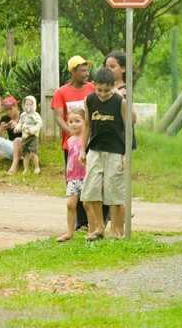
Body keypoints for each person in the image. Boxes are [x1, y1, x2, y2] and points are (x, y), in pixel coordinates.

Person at [80, 67, 127, 240]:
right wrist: (83, 149)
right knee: (92, 187)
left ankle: (114, 230)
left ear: (113, 86)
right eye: (99, 90)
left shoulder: (120, 101)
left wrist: (126, 154)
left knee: (113, 189)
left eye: (106, 90)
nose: (102, 94)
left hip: (115, 150)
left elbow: (128, 128)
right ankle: (100, 226)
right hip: (95, 149)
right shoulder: (90, 100)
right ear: (94, 85)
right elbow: (87, 125)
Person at [51, 55, 96, 230]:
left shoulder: (92, 88)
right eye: (83, 71)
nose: (87, 74)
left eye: (87, 70)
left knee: (90, 179)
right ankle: (81, 222)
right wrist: (73, 134)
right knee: (73, 180)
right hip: (71, 146)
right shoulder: (61, 92)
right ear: (73, 72)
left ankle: (94, 219)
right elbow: (58, 116)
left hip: (91, 143)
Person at [105, 50, 138, 236]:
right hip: (108, 139)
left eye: (113, 66)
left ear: (123, 68)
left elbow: (132, 118)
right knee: (112, 183)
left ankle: (119, 227)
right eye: (107, 66)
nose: (109, 70)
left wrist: (118, 96)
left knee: (118, 184)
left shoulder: (124, 90)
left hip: (122, 139)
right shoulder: (104, 89)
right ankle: (117, 227)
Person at [56, 108, 94, 242]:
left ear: (85, 122)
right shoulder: (70, 140)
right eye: (71, 121)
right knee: (70, 205)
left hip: (85, 177)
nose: (73, 124)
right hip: (72, 178)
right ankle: (69, 232)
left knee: (88, 204)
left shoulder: (88, 139)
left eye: (77, 121)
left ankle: (92, 231)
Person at [14, 95, 42, 174]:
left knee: (33, 153)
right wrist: (17, 128)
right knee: (25, 154)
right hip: (24, 137)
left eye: (30, 104)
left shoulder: (36, 115)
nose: (28, 106)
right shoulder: (23, 115)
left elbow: (39, 124)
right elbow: (20, 123)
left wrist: (33, 130)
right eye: (27, 104)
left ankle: (37, 167)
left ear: (34, 105)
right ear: (24, 105)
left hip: (33, 137)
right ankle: (26, 169)